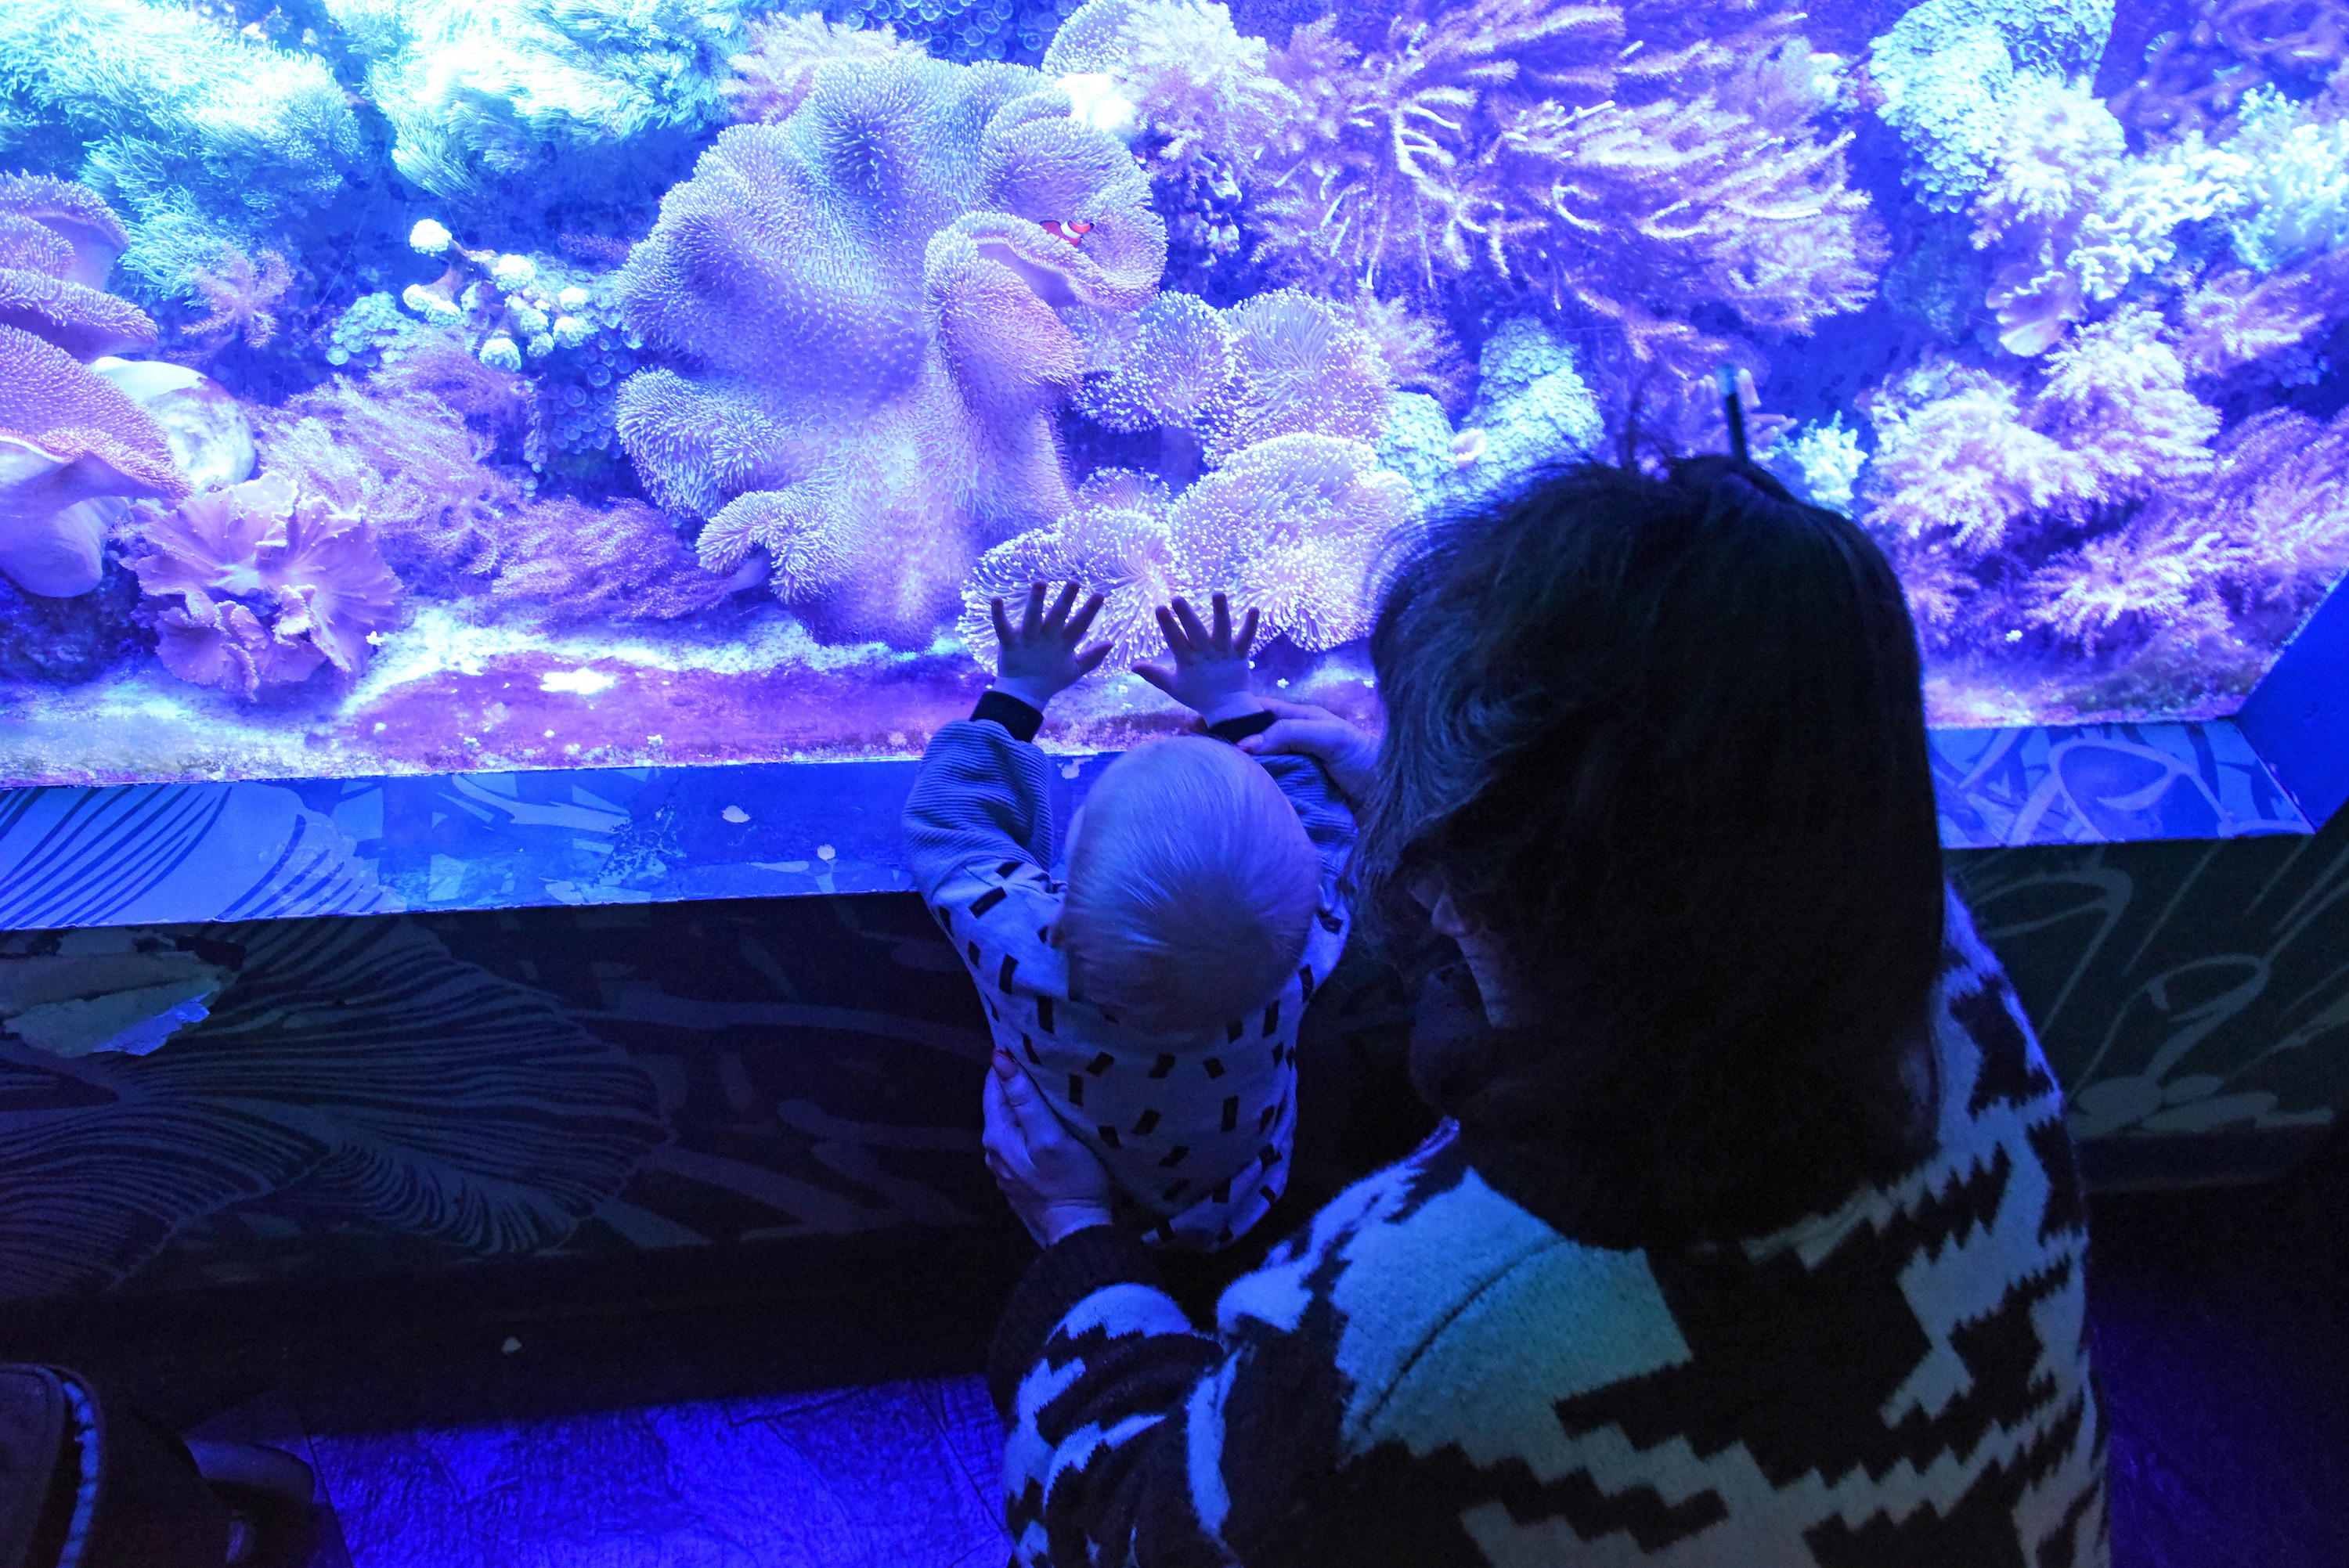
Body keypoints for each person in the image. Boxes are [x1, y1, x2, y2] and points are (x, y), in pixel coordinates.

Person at [979, 457, 2109, 1566]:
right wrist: (1423, 796)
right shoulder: (1940, 976)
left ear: (1462, 887)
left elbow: (1126, 1535)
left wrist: (1080, 1233)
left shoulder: (1421, 1325)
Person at [904, 584, 1355, 1253]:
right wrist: (1234, 704)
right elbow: (1320, 823)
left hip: (1070, 1201)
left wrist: (1018, 693)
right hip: (1246, 1196)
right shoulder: (1302, 949)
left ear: (1059, 911)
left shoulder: (1019, 943)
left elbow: (952, 828)